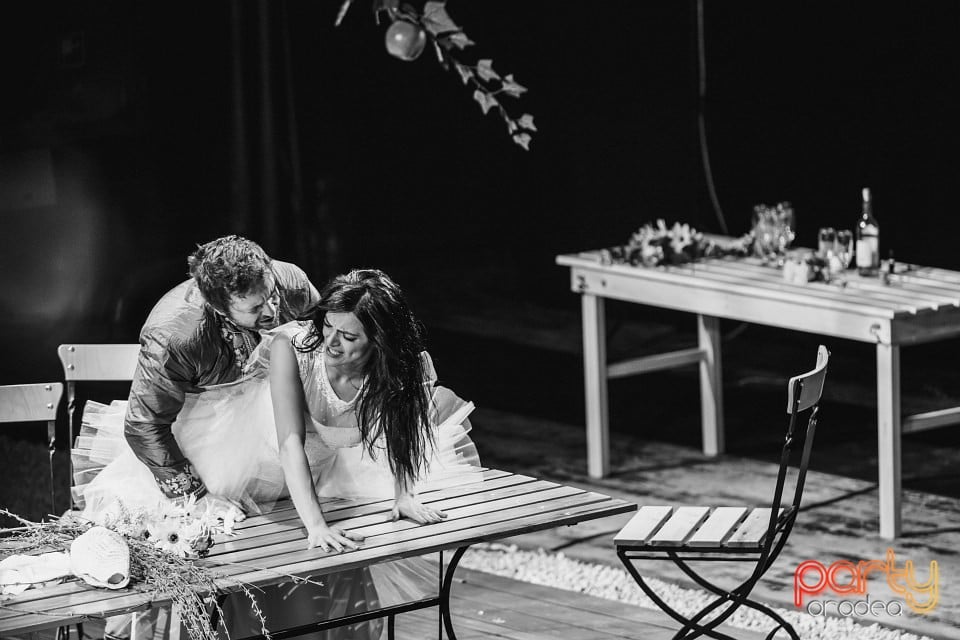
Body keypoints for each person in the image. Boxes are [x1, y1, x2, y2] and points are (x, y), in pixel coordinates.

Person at [74, 267, 480, 639]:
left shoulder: (401, 364)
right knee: (220, 562)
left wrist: (404, 493)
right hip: (246, 466)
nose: (331, 342)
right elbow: (290, 443)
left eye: (349, 336)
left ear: (381, 341)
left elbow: (402, 427)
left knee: (327, 570)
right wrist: (315, 525)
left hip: (316, 471)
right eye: (328, 326)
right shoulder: (294, 348)